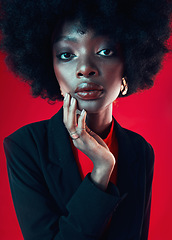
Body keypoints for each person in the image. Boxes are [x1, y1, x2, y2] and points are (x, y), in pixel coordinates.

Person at [1, 0, 172, 239]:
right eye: (66, 54)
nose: (85, 68)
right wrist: (101, 172)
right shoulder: (25, 147)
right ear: (51, 69)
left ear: (129, 65)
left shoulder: (140, 151)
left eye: (105, 51)